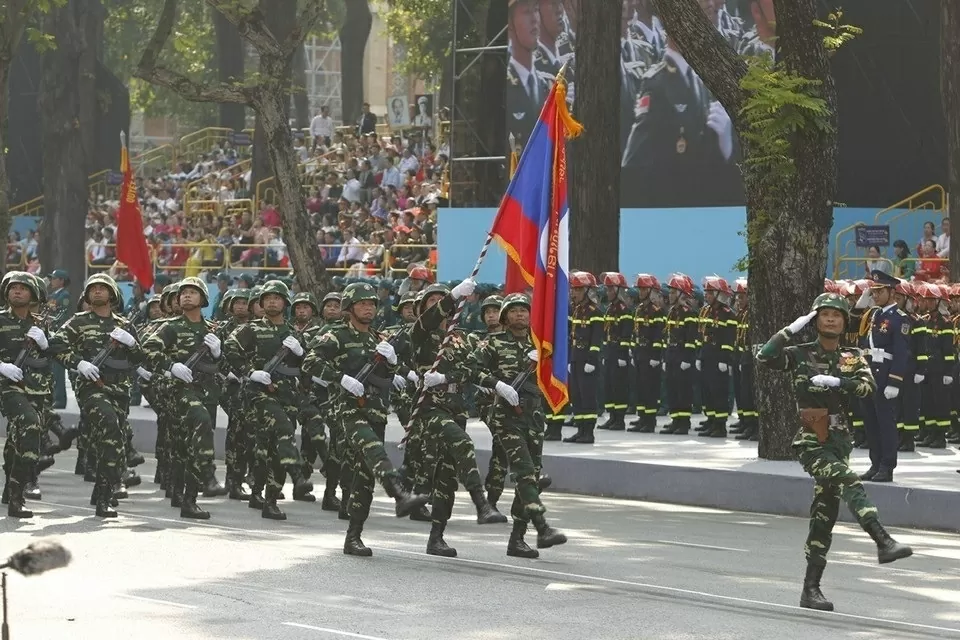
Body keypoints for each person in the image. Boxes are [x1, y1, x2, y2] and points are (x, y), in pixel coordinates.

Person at [756, 292, 912, 612]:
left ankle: (810, 590)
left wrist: (839, 381)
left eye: (837, 315)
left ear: (844, 322)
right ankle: (883, 541)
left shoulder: (851, 356)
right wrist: (790, 329)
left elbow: (867, 387)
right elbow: (765, 357)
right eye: (824, 314)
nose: (830, 319)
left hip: (839, 440)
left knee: (824, 514)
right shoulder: (798, 354)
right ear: (815, 320)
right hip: (812, 437)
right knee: (848, 480)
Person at [302, 282, 428, 556]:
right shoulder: (336, 335)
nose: (368, 307)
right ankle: (399, 494)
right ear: (349, 308)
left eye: (371, 303)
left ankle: (353, 536)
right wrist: (341, 378)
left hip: (376, 411)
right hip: (347, 410)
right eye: (362, 304)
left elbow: (385, 377)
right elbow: (310, 362)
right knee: (374, 449)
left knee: (364, 478)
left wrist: (393, 363)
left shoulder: (378, 340)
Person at [472, 293, 567, 558]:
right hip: (505, 416)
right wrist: (497, 385)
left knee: (532, 478)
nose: (520, 315)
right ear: (505, 317)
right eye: (513, 311)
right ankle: (542, 527)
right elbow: (471, 369)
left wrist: (546, 356)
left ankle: (517, 539)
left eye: (524, 310)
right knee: (524, 473)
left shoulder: (540, 345)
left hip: (534, 417)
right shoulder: (494, 343)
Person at [50, 274, 143, 518]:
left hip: (120, 390)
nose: (98, 292)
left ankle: (103, 489)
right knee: (110, 427)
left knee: (113, 440)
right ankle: (104, 498)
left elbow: (139, 360)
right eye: (93, 289)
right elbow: (56, 346)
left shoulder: (124, 325)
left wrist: (132, 344)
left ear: (112, 294)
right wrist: (78, 363)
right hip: (92, 387)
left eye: (103, 288)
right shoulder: (78, 322)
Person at [141, 276, 223, 519]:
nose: (187, 295)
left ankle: (181, 494)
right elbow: (149, 349)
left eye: (193, 292)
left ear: (203, 299)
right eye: (183, 292)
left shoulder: (212, 330)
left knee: (182, 447)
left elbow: (223, 366)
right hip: (178, 391)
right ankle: (205, 477)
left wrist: (218, 353)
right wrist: (170, 366)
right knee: (202, 422)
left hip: (205, 391)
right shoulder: (172, 327)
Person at [0, 273, 52, 518]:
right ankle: (18, 495)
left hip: (36, 387)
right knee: (30, 425)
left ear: (32, 294)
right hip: (6, 386)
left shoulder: (41, 324)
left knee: (17, 440)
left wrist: (45, 345)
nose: (17, 292)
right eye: (13, 288)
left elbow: (49, 361)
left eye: (23, 288)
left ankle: (9, 489)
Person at [853, 271, 909, 483]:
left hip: (885, 376)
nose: (875, 295)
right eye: (873, 291)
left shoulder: (899, 319)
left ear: (891, 292)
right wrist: (861, 303)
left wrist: (894, 381)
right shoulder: (874, 315)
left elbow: (901, 353)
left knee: (885, 423)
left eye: (880, 291)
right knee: (871, 421)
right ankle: (875, 463)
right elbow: (852, 324)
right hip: (869, 375)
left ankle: (887, 466)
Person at [562, 271, 603, 444]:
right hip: (576, 359)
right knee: (577, 396)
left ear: (587, 290)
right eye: (573, 289)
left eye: (578, 290)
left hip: (588, 361)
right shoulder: (578, 311)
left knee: (587, 397)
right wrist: (572, 359)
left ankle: (588, 432)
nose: (574, 293)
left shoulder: (595, 312)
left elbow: (596, 340)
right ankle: (580, 429)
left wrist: (591, 360)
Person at [507, 0, 554, 147]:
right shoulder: (503, 87)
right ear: (510, 25)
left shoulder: (551, 86)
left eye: (536, 10)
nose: (534, 18)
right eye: (527, 12)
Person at [628, 274, 665, 432]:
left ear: (651, 291)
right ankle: (642, 417)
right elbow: (636, 331)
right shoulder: (640, 309)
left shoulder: (656, 311)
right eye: (640, 289)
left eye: (644, 289)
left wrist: (656, 356)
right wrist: (633, 349)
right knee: (641, 387)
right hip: (640, 353)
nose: (640, 292)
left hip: (650, 355)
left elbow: (658, 335)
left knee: (650, 389)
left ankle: (650, 421)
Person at [597, 272, 632, 430]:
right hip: (610, 352)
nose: (608, 292)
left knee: (619, 387)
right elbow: (606, 333)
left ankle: (619, 419)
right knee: (609, 386)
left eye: (611, 289)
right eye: (608, 289)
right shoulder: (610, 308)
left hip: (619, 354)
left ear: (619, 290)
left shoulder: (624, 310)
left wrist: (622, 355)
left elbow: (626, 334)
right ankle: (612, 416)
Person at [46, 269, 71, 409]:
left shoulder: (64, 295)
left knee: (58, 368)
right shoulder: (51, 295)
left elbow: (63, 314)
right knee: (51, 369)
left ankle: (60, 399)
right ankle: (53, 396)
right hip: (50, 333)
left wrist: (51, 321)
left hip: (58, 333)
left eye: (54, 278)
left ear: (61, 281)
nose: (52, 281)